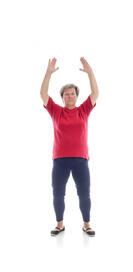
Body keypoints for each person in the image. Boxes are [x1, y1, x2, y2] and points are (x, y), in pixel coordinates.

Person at [40, 57, 99, 237]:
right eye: (66, 94)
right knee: (58, 194)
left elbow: (95, 93)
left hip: (81, 160)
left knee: (84, 194)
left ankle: (86, 224)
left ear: (76, 96)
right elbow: (43, 94)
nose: (70, 96)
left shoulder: (83, 110)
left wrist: (90, 73)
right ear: (63, 97)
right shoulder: (56, 111)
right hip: (60, 161)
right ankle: (59, 224)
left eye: (72, 93)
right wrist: (48, 73)